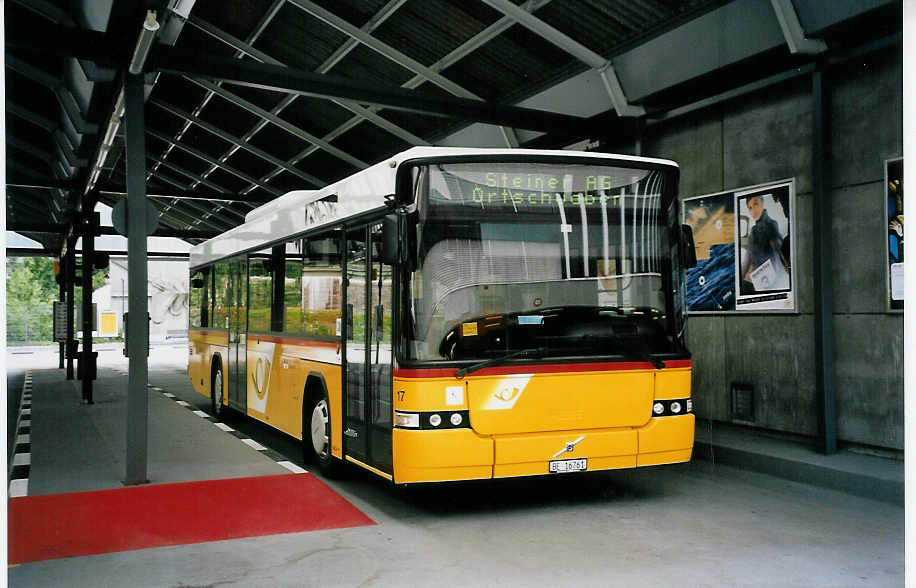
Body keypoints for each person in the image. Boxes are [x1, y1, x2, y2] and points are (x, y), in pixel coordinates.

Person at [742, 195, 785, 291]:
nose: (753, 210)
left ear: (762, 202)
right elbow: (747, 259)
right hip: (753, 281)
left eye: (756, 204)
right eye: (750, 208)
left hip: (764, 282)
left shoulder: (771, 224)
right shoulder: (753, 230)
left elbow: (779, 247)